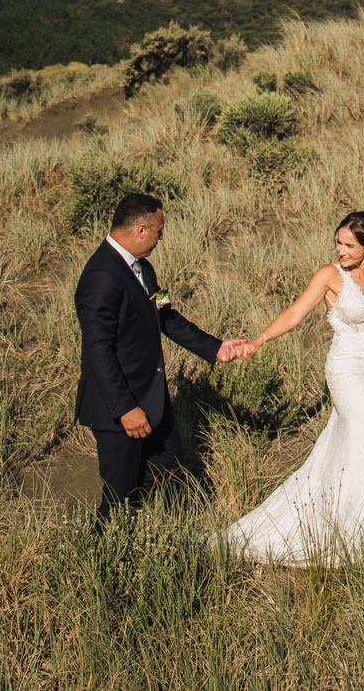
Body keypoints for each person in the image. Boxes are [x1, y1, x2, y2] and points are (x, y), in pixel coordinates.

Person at [213, 210, 364, 565]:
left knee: (354, 447)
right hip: (345, 370)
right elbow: (295, 313)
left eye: (348, 245)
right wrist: (258, 340)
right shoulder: (329, 275)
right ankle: (357, 544)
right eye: (338, 243)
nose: (340, 251)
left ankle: (337, 518)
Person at [73, 192, 246, 522]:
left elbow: (166, 317)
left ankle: (184, 538)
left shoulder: (143, 269)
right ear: (140, 230)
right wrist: (125, 409)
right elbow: (99, 352)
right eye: (158, 230)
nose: (161, 237)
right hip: (120, 414)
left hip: (153, 402)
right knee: (119, 499)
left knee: (175, 474)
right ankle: (102, 554)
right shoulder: (100, 278)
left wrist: (216, 347)